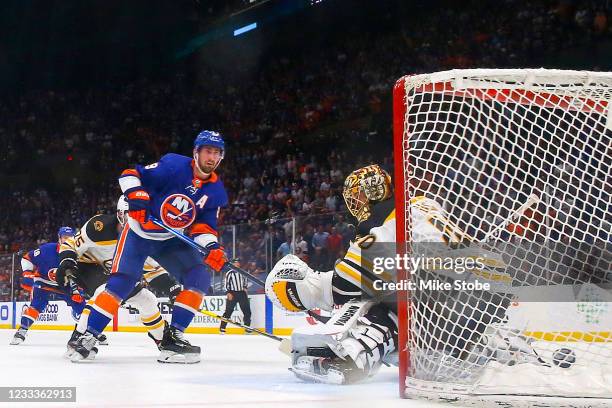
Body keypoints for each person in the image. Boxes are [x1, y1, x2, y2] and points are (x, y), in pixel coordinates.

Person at [265, 164, 537, 384]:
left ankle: (352, 355)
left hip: (453, 300)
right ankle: (512, 349)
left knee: (381, 306)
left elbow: (341, 286)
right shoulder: (422, 204)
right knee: (401, 293)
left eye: (355, 198)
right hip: (487, 289)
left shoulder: (383, 230)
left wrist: (298, 288)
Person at [70, 130, 229, 363]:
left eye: (216, 153)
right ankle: (89, 337)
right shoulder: (173, 165)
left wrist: (213, 247)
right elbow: (129, 174)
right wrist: (136, 195)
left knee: (199, 279)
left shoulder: (216, 191)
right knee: (121, 284)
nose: (211, 157)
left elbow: (204, 227)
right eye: (207, 151)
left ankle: (173, 339)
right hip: (139, 233)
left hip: (171, 239)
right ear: (196, 152)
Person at [58, 196, 181, 359]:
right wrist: (67, 261)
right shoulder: (98, 227)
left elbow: (151, 269)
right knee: (105, 291)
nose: (136, 220)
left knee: (147, 299)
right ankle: (78, 339)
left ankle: (164, 342)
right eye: (132, 214)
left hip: (112, 273)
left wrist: (171, 287)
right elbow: (70, 244)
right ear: (120, 214)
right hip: (85, 265)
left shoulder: (144, 238)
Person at [10, 227, 85, 345]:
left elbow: (82, 274)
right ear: (59, 238)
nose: (67, 240)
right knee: (36, 305)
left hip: (65, 285)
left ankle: (89, 332)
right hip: (44, 282)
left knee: (82, 307)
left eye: (70, 238)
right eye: (65, 237)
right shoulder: (47, 249)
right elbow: (27, 258)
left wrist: (78, 290)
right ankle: (22, 330)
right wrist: (27, 272)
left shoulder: (79, 253)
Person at [219, 268, 251, 334]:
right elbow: (226, 284)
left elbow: (245, 281)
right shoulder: (230, 273)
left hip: (241, 293)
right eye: (235, 262)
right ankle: (222, 328)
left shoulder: (242, 271)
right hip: (232, 293)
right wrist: (228, 292)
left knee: (247, 311)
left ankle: (247, 328)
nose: (237, 264)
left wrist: (245, 288)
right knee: (228, 311)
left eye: (238, 262)